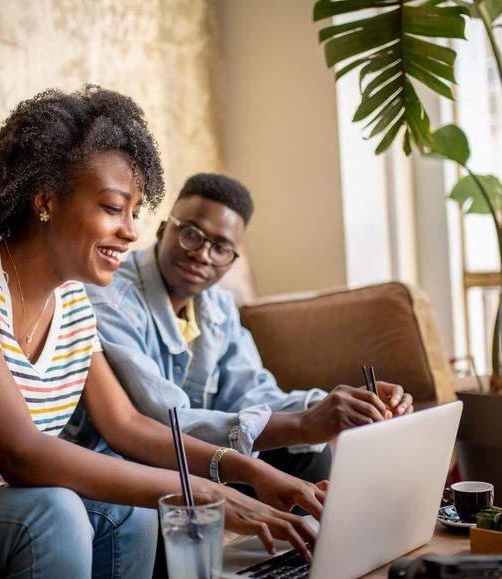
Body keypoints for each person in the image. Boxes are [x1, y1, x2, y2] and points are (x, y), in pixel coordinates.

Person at [0, 88, 328, 579]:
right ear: (46, 200)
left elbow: (127, 427)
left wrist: (247, 470)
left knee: (132, 512)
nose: (129, 234)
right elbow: (21, 453)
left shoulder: (74, 304)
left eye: (134, 214)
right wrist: (207, 493)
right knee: (52, 511)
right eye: (112, 208)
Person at [69, 173, 414, 491]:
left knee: (308, 456)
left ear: (232, 260)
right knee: (292, 442)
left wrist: (333, 406)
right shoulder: (110, 298)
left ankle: (292, 558)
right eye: (191, 234)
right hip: (131, 459)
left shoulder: (218, 306)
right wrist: (304, 422)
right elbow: (162, 424)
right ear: (163, 230)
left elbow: (254, 393)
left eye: (220, 248)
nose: (202, 255)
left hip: (197, 456)